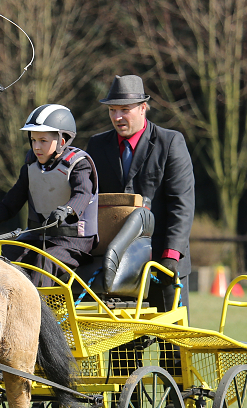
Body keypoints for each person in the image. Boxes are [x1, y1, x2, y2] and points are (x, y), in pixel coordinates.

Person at [85, 75, 195, 313]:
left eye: (124, 110)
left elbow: (181, 205)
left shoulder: (171, 142)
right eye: (112, 110)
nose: (117, 117)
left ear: (143, 108)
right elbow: (89, 202)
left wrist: (171, 256)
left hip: (164, 263)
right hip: (118, 266)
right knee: (124, 349)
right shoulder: (96, 146)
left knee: (171, 348)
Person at [0, 104, 98, 286]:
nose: (36, 147)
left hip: (72, 241)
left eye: (43, 140)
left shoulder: (79, 165)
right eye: (33, 140)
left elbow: (82, 194)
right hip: (37, 237)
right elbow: (11, 203)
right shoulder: (29, 168)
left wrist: (67, 210)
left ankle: (39, 314)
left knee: (45, 263)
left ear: (62, 141)